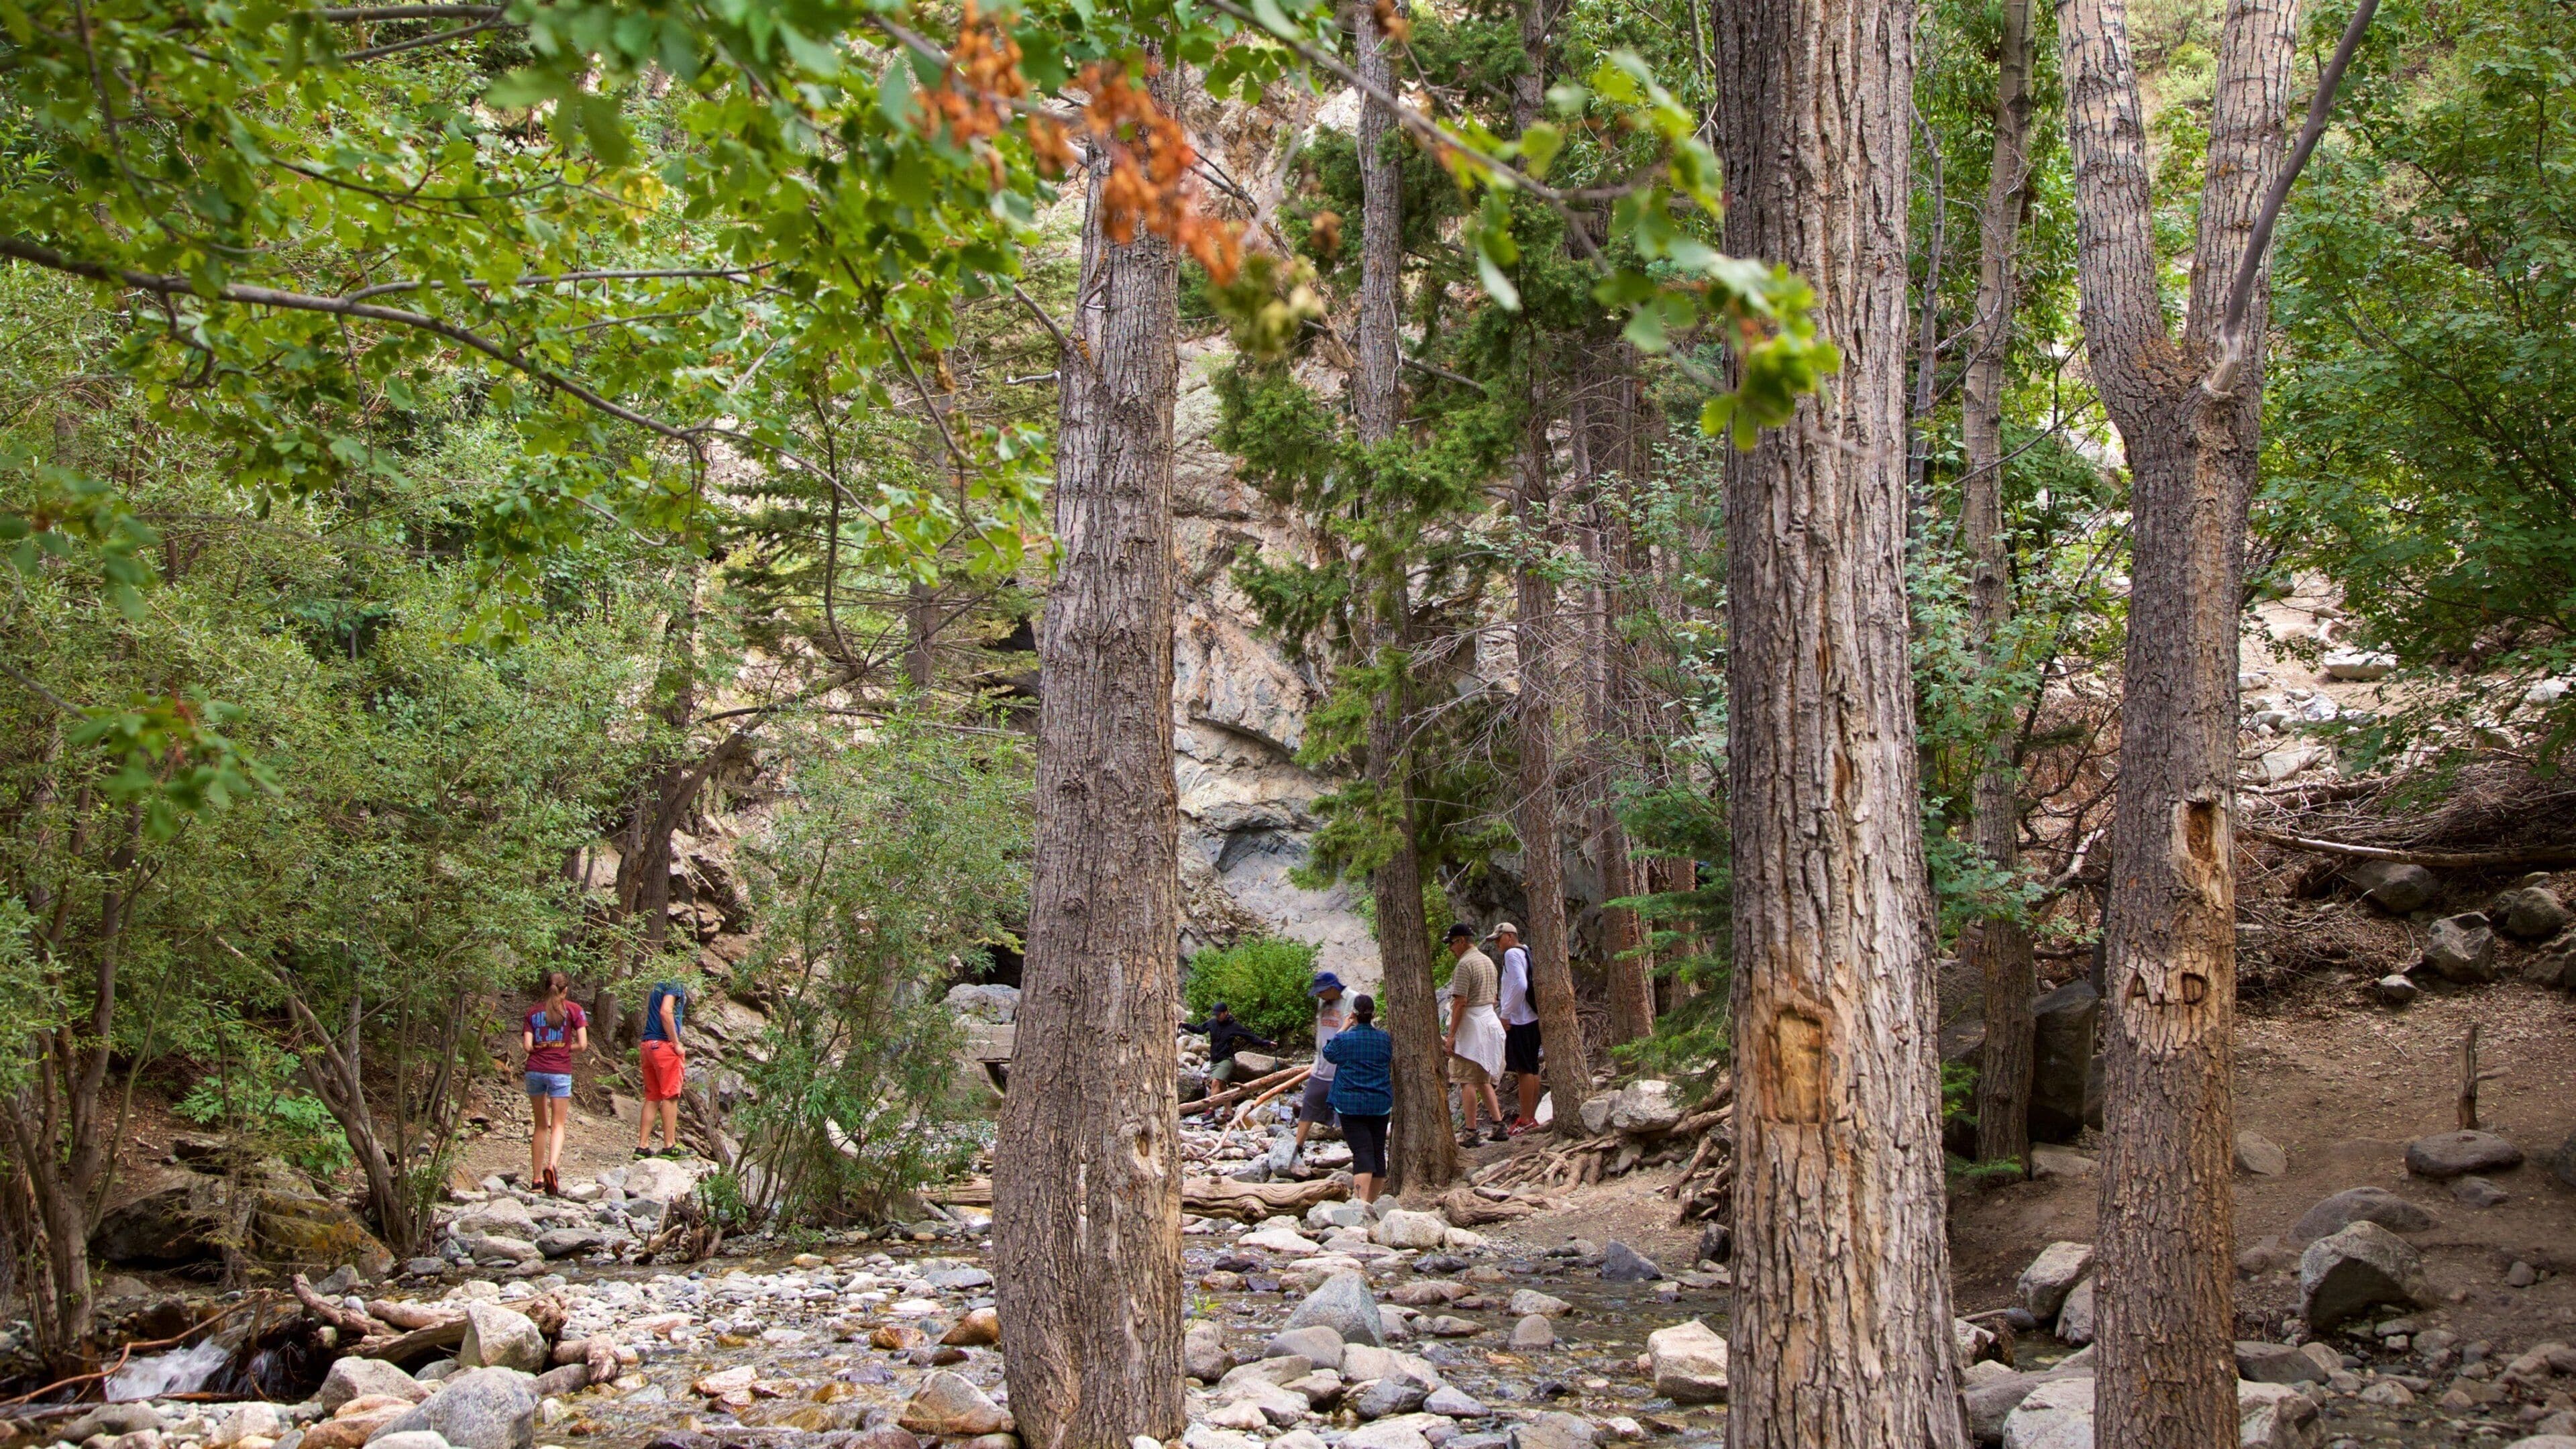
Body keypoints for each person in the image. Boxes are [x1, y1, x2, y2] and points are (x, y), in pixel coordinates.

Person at [1320, 994, 1393, 1203]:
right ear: (1373, 1015)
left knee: (1362, 1152)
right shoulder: (1385, 1039)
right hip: (1379, 1103)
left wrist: (1343, 1027)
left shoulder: (1344, 1039)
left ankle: (1360, 1204)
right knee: (1377, 1152)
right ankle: (1371, 1203)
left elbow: (1329, 1054)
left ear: (1353, 1014)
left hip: (1350, 1105)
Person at [522, 971, 588, 1195]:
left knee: (540, 1125)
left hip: (535, 1070)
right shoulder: (574, 1010)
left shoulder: (532, 1012)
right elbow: (583, 1044)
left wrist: (544, 1047)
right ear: (565, 990)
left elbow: (528, 1047)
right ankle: (552, 1166)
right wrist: (564, 1047)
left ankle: (536, 1180)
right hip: (560, 1071)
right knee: (558, 1125)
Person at [1442, 924, 1508, 1146]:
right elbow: (1494, 998)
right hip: (1489, 1021)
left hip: (1472, 1027)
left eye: (1452, 944)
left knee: (1466, 1079)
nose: (1451, 949)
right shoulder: (1487, 961)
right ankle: (1499, 1125)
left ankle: (1471, 1131)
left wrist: (1452, 1035)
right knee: (1482, 1078)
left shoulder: (1465, 965)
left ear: (1462, 941)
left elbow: (1461, 1002)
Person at [1491, 922, 1544, 1135]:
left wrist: (1506, 1013)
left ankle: (1525, 1119)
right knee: (1532, 1067)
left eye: (1499, 938)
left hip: (1520, 1019)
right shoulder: (1526, 951)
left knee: (1524, 1070)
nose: (1497, 943)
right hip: (1533, 1017)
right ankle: (1531, 1116)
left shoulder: (1512, 954)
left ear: (1510, 937)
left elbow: (1521, 984)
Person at [1293, 971, 1348, 1164]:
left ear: (1332, 988)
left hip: (1342, 1071)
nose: (1318, 995)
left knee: (1348, 1115)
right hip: (1321, 1068)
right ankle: (1297, 1149)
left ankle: (1359, 1156)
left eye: (1321, 992)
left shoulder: (1352, 999)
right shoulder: (1322, 1002)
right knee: (1308, 1107)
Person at [636, 979, 689, 1159]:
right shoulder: (675, 983)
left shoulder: (659, 982)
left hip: (648, 1044)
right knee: (670, 1095)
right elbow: (666, 1011)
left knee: (653, 1097)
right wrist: (676, 1043)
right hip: (664, 1045)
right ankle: (669, 1146)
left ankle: (642, 1147)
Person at [1181, 1002, 1277, 1083]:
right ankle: (1227, 1101)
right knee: (1221, 1086)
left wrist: (1267, 1043)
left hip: (1227, 1059)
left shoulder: (1234, 1026)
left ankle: (1212, 1101)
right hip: (1214, 1060)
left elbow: (1251, 1037)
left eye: (1219, 1014)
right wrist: (1184, 1025)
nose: (1217, 1016)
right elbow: (1199, 1030)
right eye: (1216, 1014)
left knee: (1216, 1082)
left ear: (1226, 1012)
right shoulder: (1212, 1023)